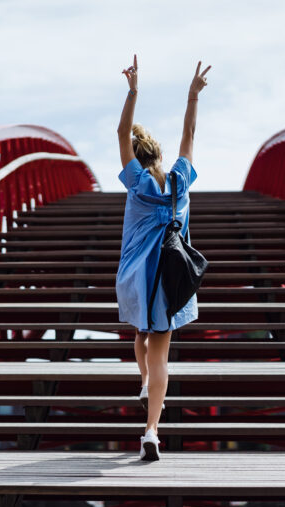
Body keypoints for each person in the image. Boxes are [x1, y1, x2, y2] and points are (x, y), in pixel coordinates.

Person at [115, 54, 211, 461]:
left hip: (138, 277)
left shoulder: (136, 182)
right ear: (158, 153)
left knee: (140, 335)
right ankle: (151, 431)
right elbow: (189, 133)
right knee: (160, 354)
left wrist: (133, 91)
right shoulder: (179, 183)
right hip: (171, 279)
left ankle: (142, 381)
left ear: (137, 155)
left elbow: (121, 131)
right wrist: (193, 95)